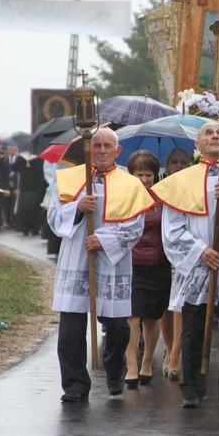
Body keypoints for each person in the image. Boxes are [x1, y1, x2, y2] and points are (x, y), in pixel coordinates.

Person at [150, 123, 219, 410]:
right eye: (208, 133)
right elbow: (172, 231)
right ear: (197, 145)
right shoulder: (181, 181)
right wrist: (201, 251)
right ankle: (192, 389)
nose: (214, 136)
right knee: (193, 327)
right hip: (198, 264)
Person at [48, 127, 153, 403]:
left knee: (118, 326)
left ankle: (115, 369)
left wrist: (103, 240)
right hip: (76, 258)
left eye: (108, 146)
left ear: (118, 152)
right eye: (96, 145)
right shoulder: (71, 179)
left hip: (112, 263)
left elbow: (134, 228)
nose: (102, 150)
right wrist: (77, 208)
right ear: (88, 150)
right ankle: (75, 385)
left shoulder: (130, 184)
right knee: (71, 327)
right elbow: (53, 217)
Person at [123, 150, 171, 389]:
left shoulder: (162, 199)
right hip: (130, 265)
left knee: (153, 318)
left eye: (148, 174)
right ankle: (131, 364)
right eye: (139, 174)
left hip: (159, 264)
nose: (144, 179)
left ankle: (147, 361)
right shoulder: (123, 197)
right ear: (131, 174)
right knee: (131, 318)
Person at [159, 147, 191, 382]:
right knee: (164, 307)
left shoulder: (191, 189)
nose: (178, 166)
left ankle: (176, 354)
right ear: (166, 166)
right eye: (174, 162)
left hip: (184, 253)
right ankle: (169, 346)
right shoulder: (158, 188)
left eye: (183, 162)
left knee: (179, 305)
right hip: (158, 253)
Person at [12, 150, 47, 236]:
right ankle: (34, 229)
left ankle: (25, 228)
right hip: (35, 187)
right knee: (34, 209)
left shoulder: (21, 158)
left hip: (25, 187)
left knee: (24, 209)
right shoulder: (40, 158)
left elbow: (14, 168)